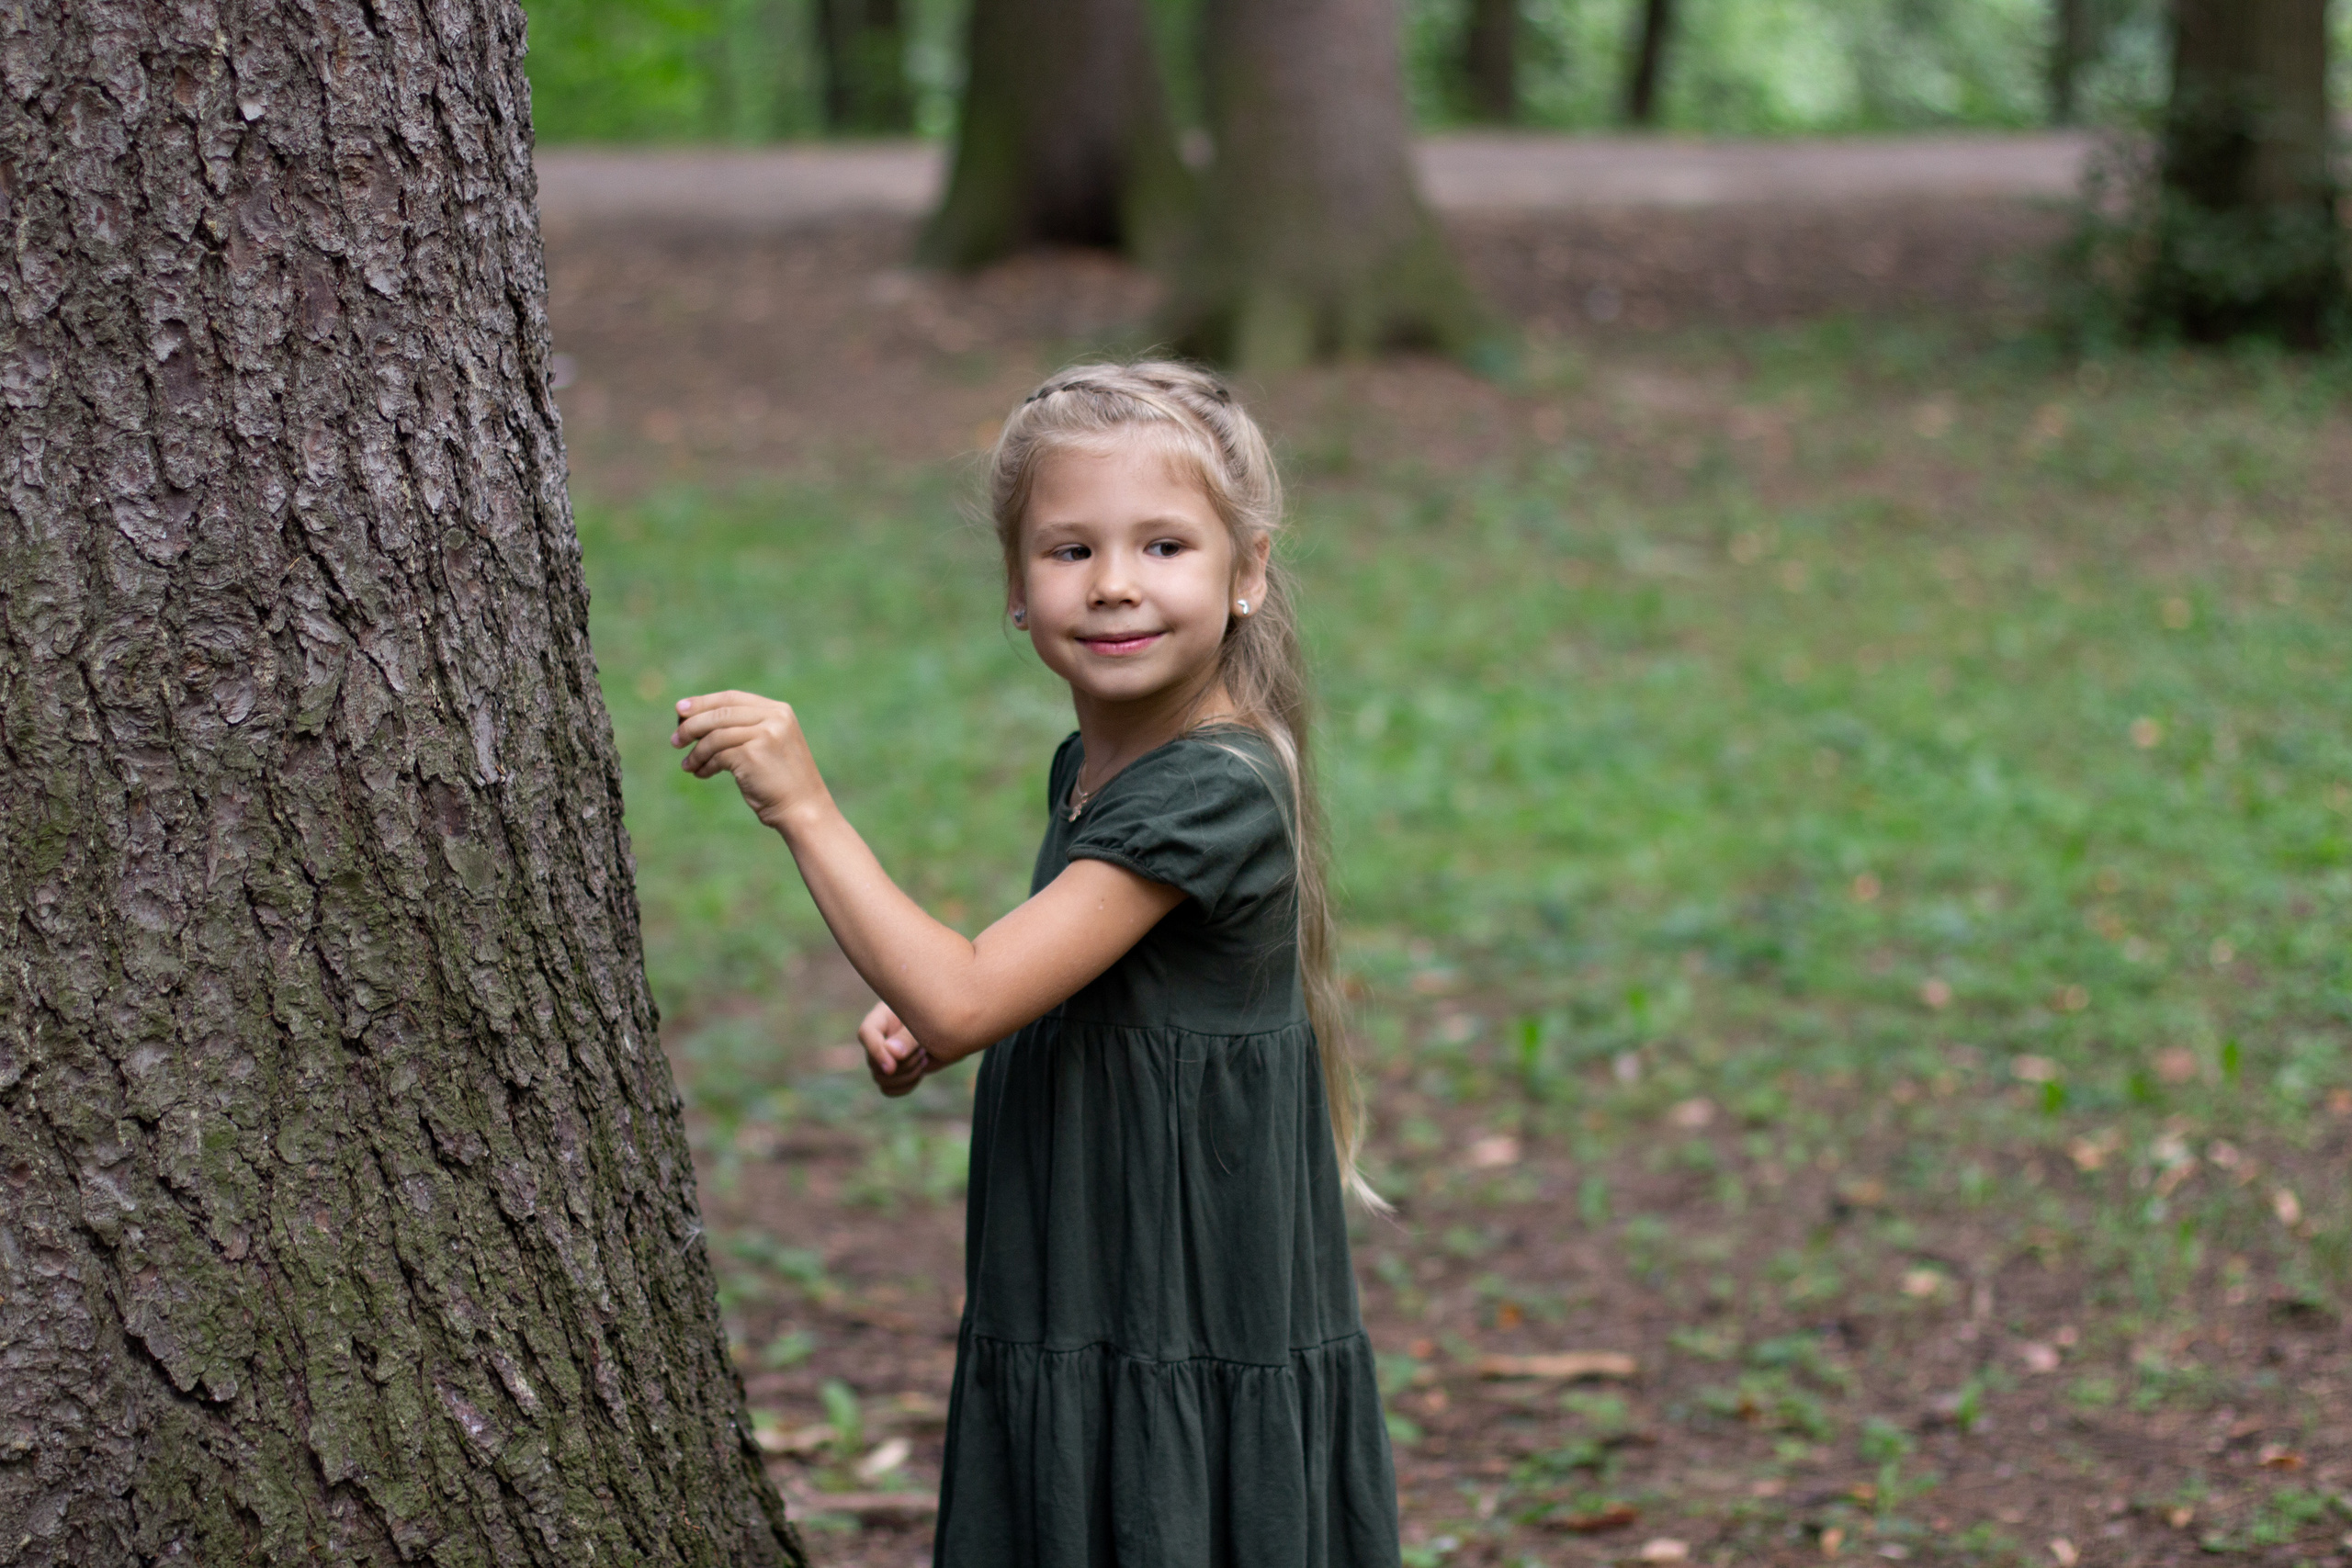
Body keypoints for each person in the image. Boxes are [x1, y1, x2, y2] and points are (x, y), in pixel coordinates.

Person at [670, 360, 1401, 1567]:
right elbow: (1014, 978)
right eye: (1070, 551)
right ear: (1017, 586)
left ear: (1248, 571)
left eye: (1165, 545)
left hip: (1182, 1289)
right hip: (1098, 1260)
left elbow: (963, 995)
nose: (1115, 584)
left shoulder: (1213, 786)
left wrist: (807, 809)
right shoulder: (1095, 763)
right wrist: (948, 1005)